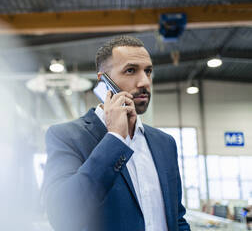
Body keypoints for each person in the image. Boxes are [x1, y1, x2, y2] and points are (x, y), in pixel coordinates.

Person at [42, 36, 190, 231]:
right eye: (131, 71)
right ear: (104, 81)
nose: (144, 82)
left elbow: (177, 218)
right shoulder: (66, 137)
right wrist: (115, 139)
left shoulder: (165, 143)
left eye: (148, 71)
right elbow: (62, 215)